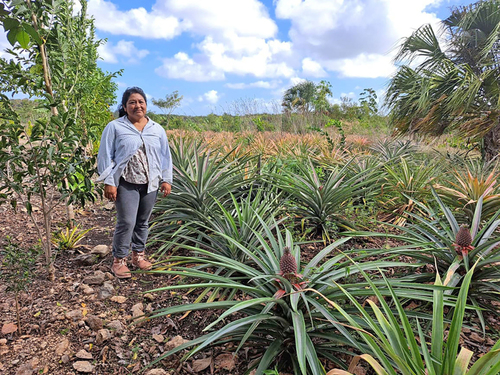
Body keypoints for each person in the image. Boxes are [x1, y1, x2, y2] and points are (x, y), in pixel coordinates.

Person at [97, 87, 173, 279]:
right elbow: (105, 155)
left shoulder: (156, 129)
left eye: (141, 102)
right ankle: (119, 260)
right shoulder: (115, 127)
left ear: (146, 105)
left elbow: (165, 156)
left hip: (151, 183)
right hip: (126, 182)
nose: (137, 105)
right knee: (126, 222)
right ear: (124, 106)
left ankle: (138, 256)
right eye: (132, 102)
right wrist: (109, 181)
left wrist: (166, 179)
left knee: (142, 222)